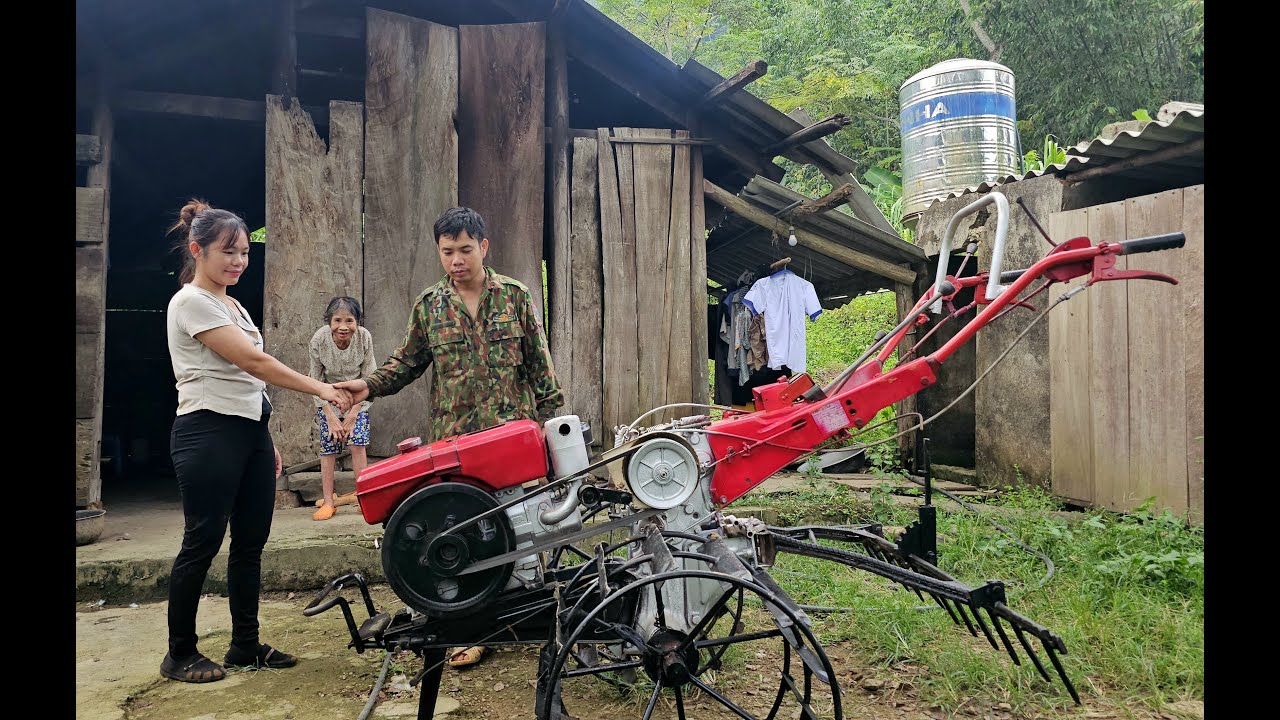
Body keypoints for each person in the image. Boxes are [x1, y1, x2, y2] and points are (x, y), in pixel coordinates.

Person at [334, 206, 563, 669]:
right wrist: (367, 385)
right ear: (439, 252)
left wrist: (549, 422)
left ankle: (525, 619)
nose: (456, 259)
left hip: (510, 437)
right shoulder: (430, 305)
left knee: (520, 527)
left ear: (483, 247)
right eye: (447, 251)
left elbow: (541, 367)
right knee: (464, 534)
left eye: (464, 249)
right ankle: (470, 627)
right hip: (456, 443)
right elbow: (407, 363)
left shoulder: (515, 298)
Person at [161, 199, 352, 683]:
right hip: (206, 432)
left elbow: (251, 385)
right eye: (228, 252)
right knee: (201, 543)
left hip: (248, 434)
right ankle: (179, 653)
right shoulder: (189, 301)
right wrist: (322, 389)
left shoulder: (232, 302)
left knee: (251, 544)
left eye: (244, 252)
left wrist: (264, 437)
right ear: (196, 249)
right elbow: (254, 363)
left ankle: (244, 644)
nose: (238, 262)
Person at [308, 296, 377, 521]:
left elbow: (370, 378)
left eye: (350, 320)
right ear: (329, 321)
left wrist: (354, 412)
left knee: (357, 443)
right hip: (328, 399)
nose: (343, 326)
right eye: (337, 320)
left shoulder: (364, 338)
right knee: (328, 448)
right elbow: (314, 379)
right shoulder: (319, 339)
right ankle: (329, 502)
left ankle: (364, 498)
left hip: (358, 398)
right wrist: (329, 415)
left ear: (358, 321)